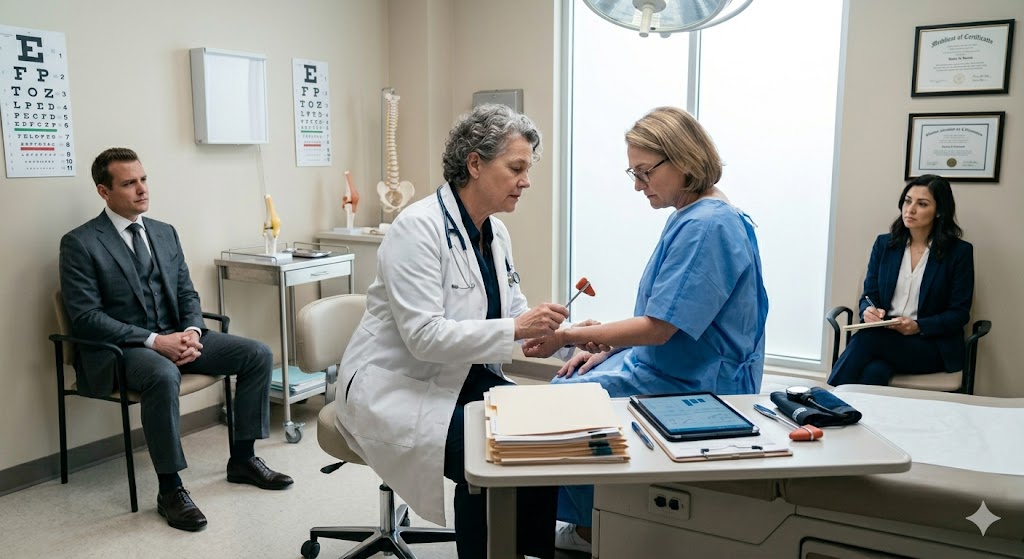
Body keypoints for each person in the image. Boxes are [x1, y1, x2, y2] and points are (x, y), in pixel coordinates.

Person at [522, 106, 769, 554]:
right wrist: (606, 348)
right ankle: (592, 521)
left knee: (560, 409)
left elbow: (658, 329)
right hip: (672, 363)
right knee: (574, 377)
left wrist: (567, 336)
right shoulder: (702, 215)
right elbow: (670, 317)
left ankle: (592, 531)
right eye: (631, 173)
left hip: (698, 382)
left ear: (684, 160)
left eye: (644, 172)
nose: (638, 185)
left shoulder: (708, 226)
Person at [335, 104, 571, 559]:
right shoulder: (417, 228)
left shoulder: (494, 232)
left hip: (463, 377)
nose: (527, 181)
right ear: (476, 164)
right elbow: (424, 337)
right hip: (393, 384)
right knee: (485, 447)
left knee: (543, 433)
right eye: (517, 168)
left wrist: (565, 339)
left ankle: (524, 550)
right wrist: (516, 328)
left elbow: (514, 314)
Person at [59, 148, 293, 532]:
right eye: (128, 183)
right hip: (124, 351)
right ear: (104, 191)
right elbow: (87, 319)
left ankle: (244, 459)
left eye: (144, 179)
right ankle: (170, 489)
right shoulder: (81, 243)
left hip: (176, 337)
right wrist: (154, 341)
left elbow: (187, 293)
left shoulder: (164, 232)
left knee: (256, 354)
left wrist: (192, 331)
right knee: (162, 376)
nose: (141, 190)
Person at [828, 174, 973, 386]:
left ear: (940, 211)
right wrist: (868, 311)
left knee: (868, 339)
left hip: (930, 346)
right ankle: (847, 416)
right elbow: (869, 295)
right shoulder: (885, 245)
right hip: (887, 339)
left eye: (922, 204)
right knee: (875, 372)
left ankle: (819, 402)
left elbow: (959, 314)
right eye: (907, 201)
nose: (910, 209)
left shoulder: (959, 253)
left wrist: (918, 326)